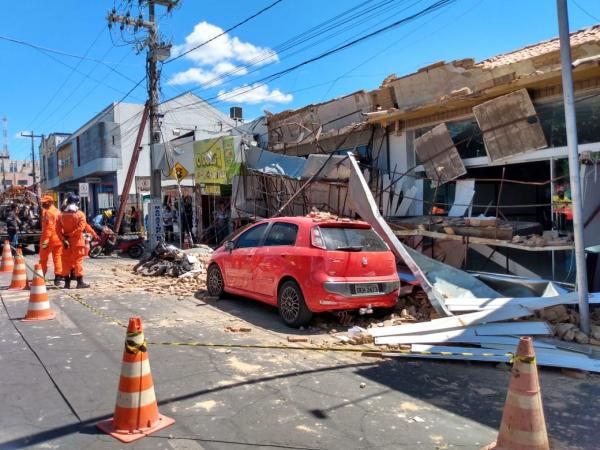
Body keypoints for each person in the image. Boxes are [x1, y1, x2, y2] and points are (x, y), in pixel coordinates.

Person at [57, 193, 90, 289]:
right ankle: (80, 282)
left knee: (65, 261)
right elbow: (81, 228)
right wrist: (72, 234)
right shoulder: (80, 214)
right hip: (77, 242)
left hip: (66, 242)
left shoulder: (61, 215)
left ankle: (67, 283)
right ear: (77, 203)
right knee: (78, 261)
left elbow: (57, 229)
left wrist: (63, 238)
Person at [39, 195, 64, 285]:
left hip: (49, 239)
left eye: (44, 202)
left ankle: (41, 276)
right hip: (58, 239)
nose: (43, 204)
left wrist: (45, 241)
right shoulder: (58, 211)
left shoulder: (48, 213)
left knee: (43, 259)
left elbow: (49, 228)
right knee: (57, 258)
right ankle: (57, 278)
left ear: (50, 202)